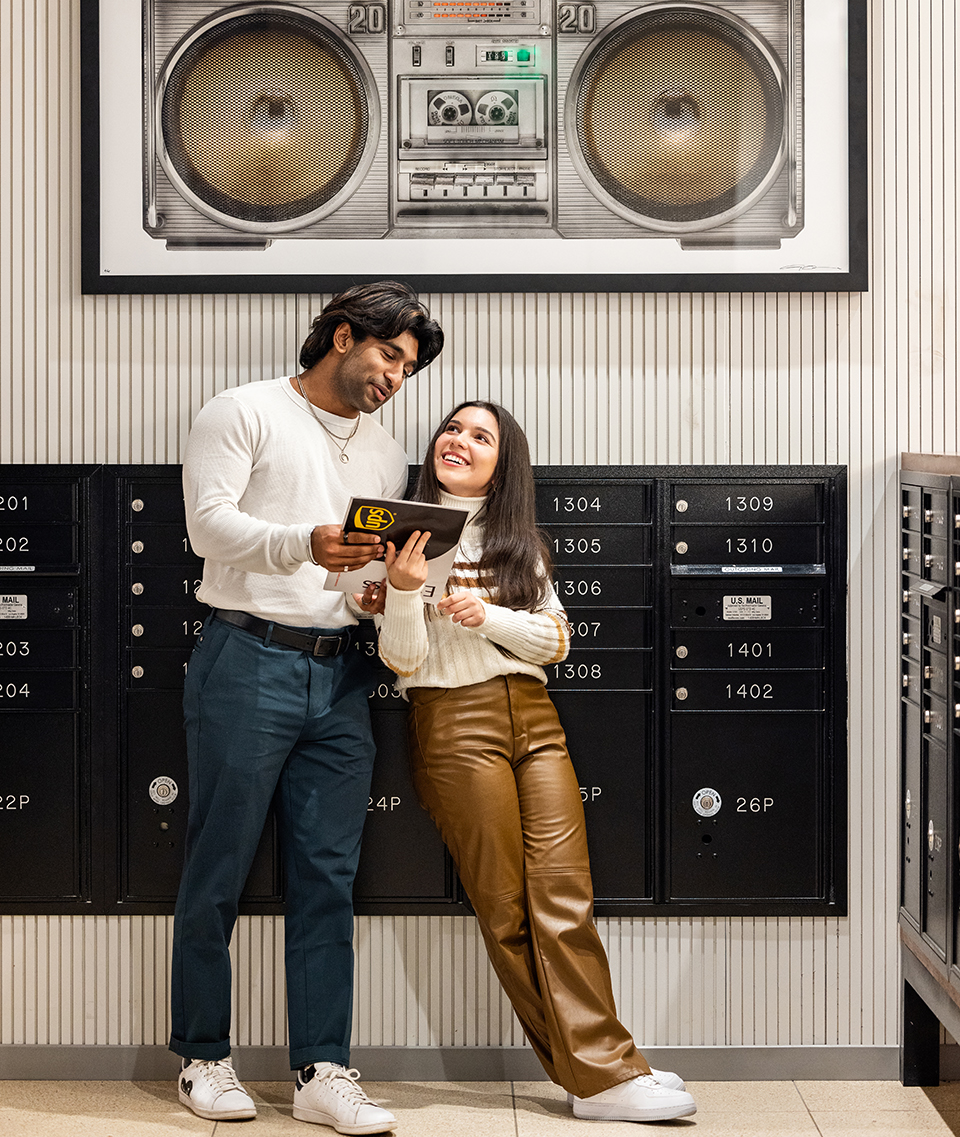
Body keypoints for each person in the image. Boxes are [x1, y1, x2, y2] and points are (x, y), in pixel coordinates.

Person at [366, 401, 696, 1124]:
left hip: (537, 721)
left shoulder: (519, 543)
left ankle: (603, 1069)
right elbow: (403, 658)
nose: (460, 440)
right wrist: (401, 587)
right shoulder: (404, 536)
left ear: (502, 461)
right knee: (508, 907)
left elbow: (554, 641)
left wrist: (490, 616)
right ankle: (602, 1074)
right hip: (453, 721)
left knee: (564, 895)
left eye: (480, 436)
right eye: (453, 429)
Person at [170, 282, 443, 1130]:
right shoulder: (243, 411)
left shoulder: (387, 452)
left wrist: (373, 593)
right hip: (247, 656)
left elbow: (350, 572)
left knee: (329, 875)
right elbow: (206, 528)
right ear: (341, 335)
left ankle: (323, 1069)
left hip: (343, 675)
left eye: (408, 369)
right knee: (219, 861)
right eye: (389, 356)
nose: (396, 378)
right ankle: (203, 1059)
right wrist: (305, 542)